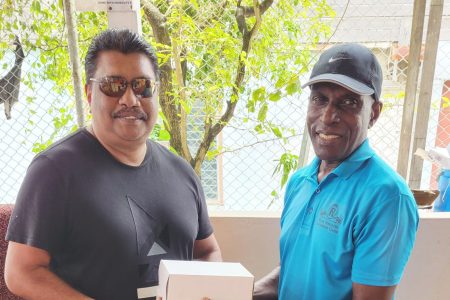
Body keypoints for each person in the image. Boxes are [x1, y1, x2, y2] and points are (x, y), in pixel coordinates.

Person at [5, 29, 221, 300]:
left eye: (142, 85)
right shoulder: (54, 171)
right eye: (113, 85)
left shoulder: (182, 172)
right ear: (89, 93)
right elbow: (21, 272)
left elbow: (207, 251)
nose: (130, 99)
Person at [254, 43, 419, 300]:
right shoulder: (300, 182)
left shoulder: (387, 197)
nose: (328, 116)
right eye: (319, 99)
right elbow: (293, 273)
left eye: (349, 102)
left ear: (373, 113)